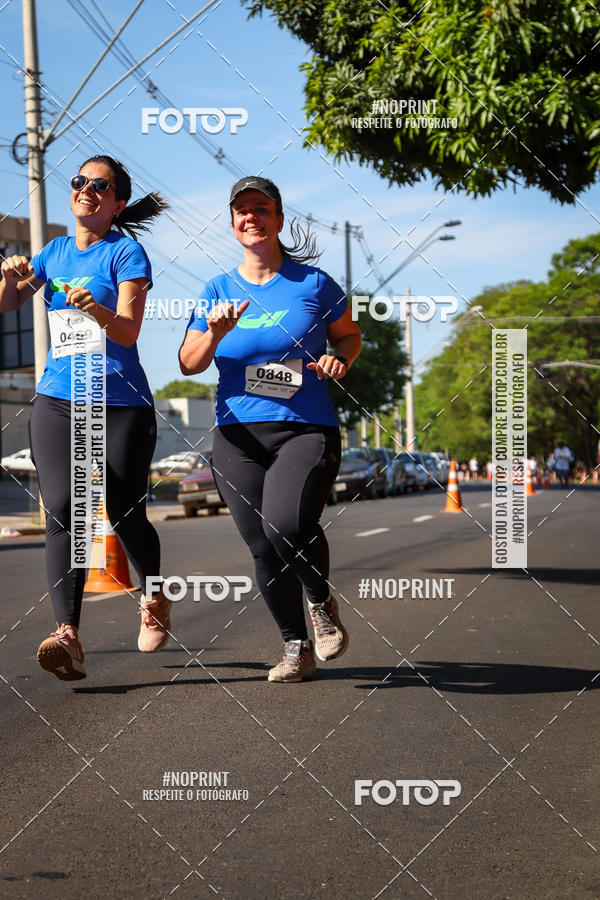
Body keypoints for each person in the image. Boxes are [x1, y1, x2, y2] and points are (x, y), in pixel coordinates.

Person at [179, 176, 362, 683]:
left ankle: (320, 603)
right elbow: (189, 363)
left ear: (279, 219)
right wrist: (214, 332)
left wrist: (340, 359)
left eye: (261, 208)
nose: (251, 216)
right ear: (232, 223)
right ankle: (295, 648)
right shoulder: (217, 290)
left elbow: (349, 336)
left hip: (305, 427)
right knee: (262, 547)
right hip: (237, 436)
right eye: (241, 210)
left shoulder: (314, 284)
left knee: (285, 525)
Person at [0, 155, 171, 680]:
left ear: (117, 203)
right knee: (63, 510)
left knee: (123, 511)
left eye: (100, 185)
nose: (86, 190)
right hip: (58, 396)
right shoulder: (53, 252)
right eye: (80, 181)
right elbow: (7, 304)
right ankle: (67, 634)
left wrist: (94, 308)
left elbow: (128, 332)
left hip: (119, 401)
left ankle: (154, 596)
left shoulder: (126, 253)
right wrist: (8, 276)